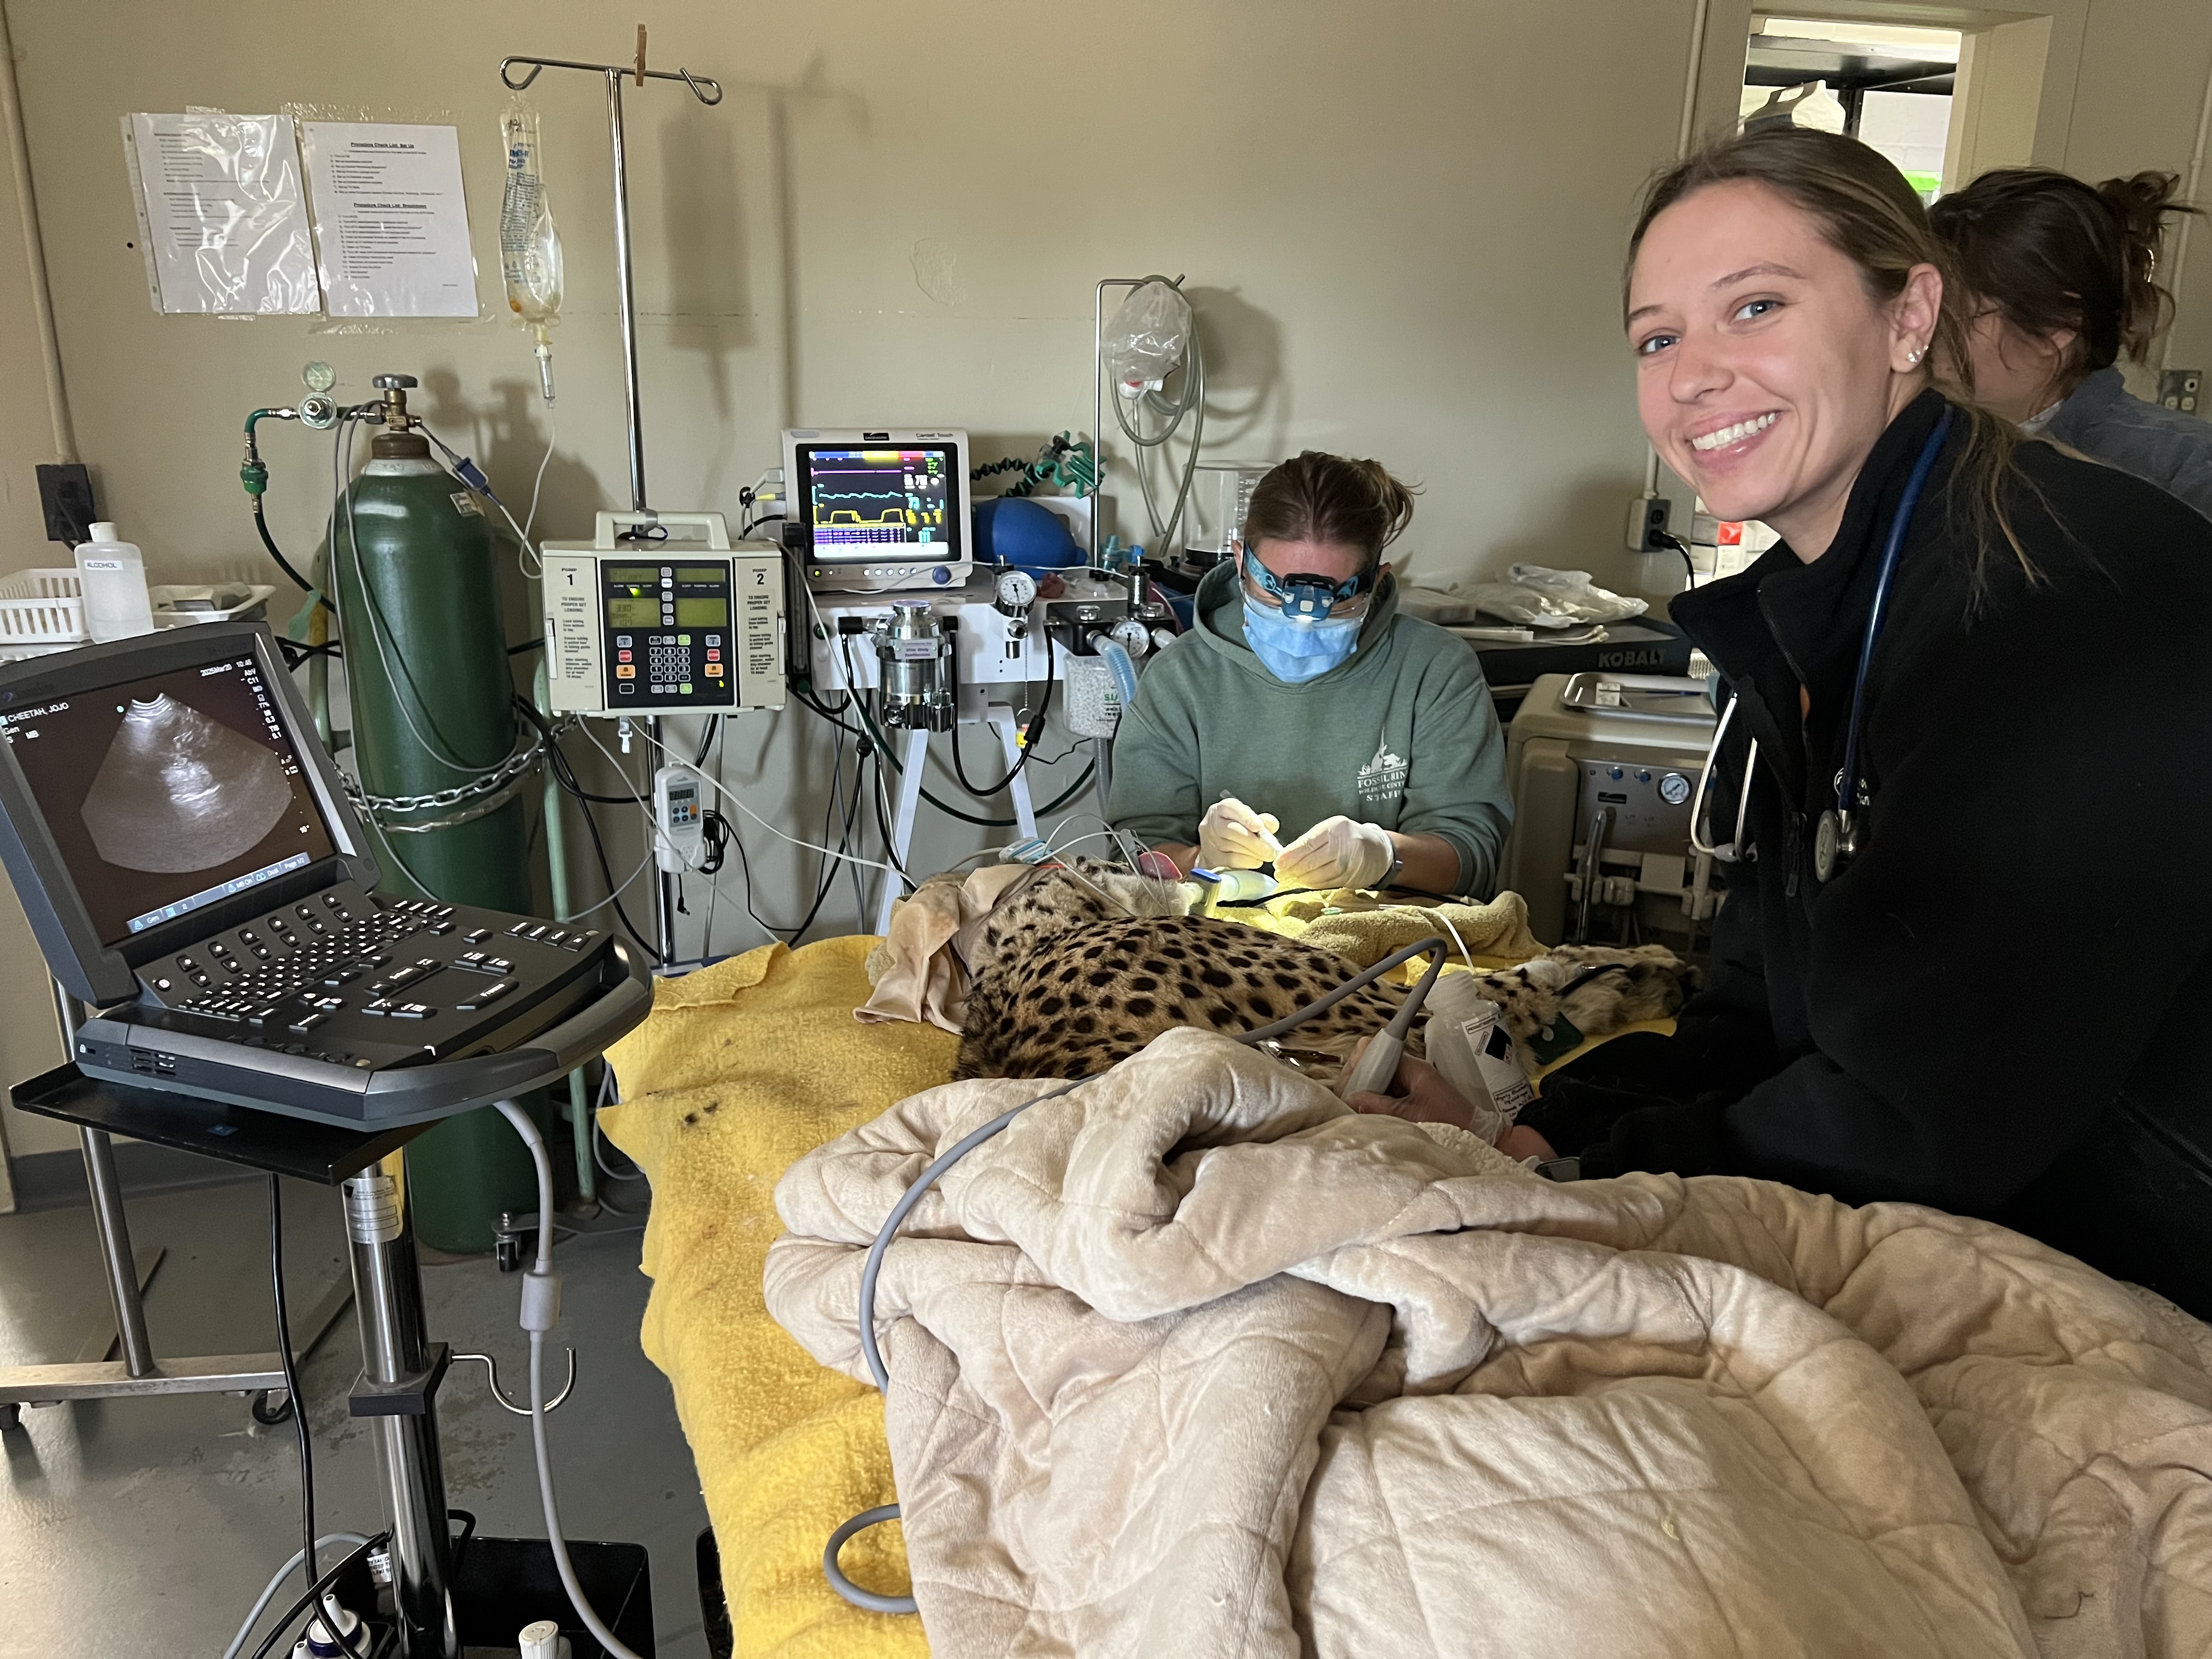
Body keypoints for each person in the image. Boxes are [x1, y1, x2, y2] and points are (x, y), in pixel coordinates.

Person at [1464, 124, 2212, 1313]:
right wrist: (1532, 1133)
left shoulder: (2062, 593)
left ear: (1911, 317)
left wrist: (1582, 1190)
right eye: (1659, 338)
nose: (1692, 374)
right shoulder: (1816, 621)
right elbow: (1758, 1016)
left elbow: (1931, 1112)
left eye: (1755, 307)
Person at [1108, 452, 1511, 898]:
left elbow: (1473, 856)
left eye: (1334, 599)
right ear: (1241, 562)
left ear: (1376, 581)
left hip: (1394, 947)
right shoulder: (1180, 679)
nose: (1301, 620)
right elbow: (1130, 858)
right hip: (1222, 949)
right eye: (1275, 591)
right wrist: (1199, 860)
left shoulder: (1434, 671)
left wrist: (1385, 856)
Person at [1929, 167, 2212, 520]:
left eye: (1950, 317)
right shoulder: (1933, 442)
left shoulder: (2186, 471)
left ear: (2056, 327)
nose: (1922, 336)